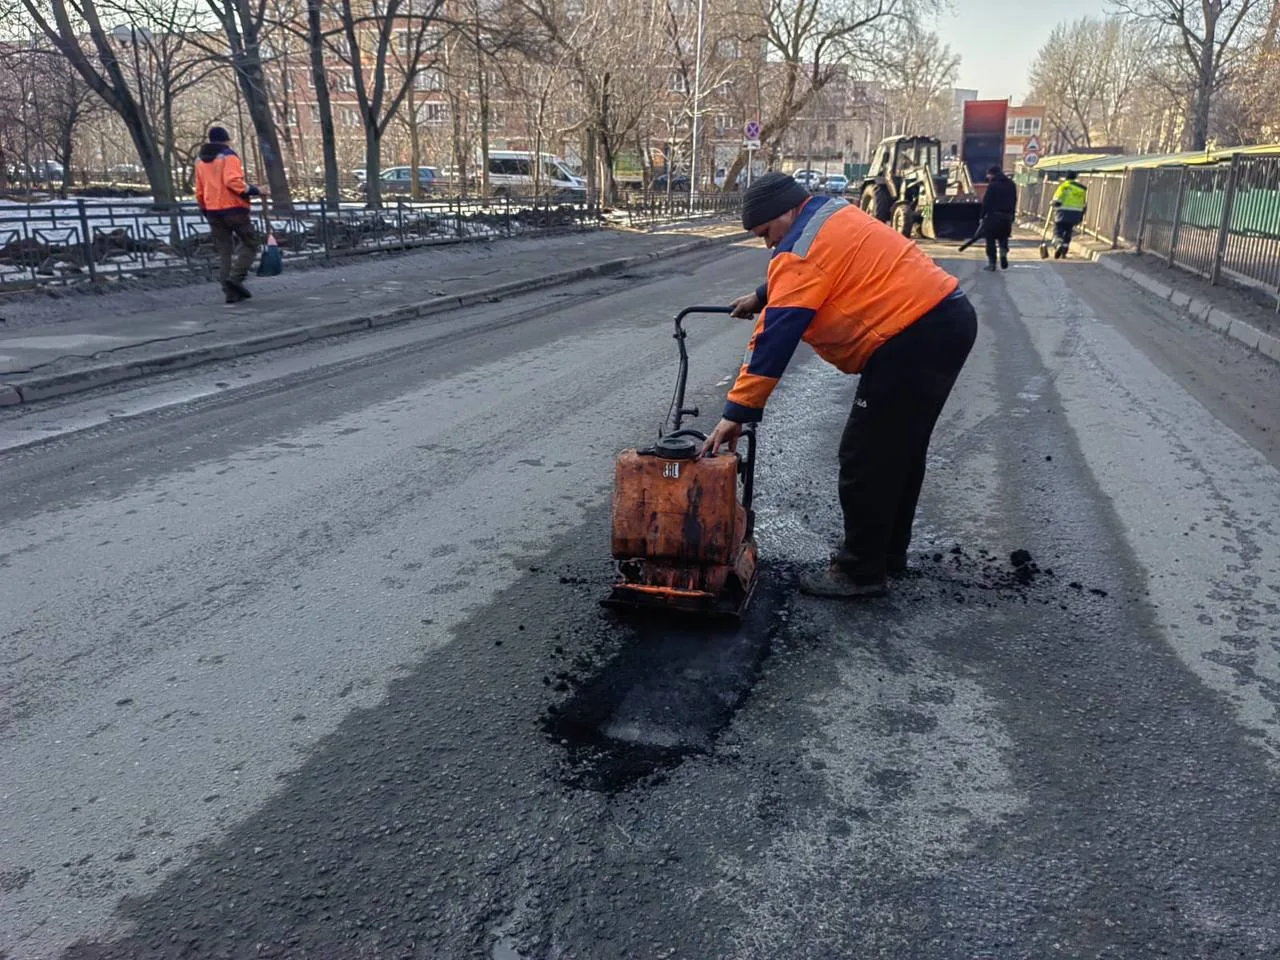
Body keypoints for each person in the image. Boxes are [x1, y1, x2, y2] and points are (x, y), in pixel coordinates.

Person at [709, 172, 978, 599]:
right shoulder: (827, 213)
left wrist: (736, 413)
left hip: (914, 337)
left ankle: (860, 571)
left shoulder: (800, 250)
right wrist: (762, 295)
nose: (767, 244)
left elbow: (774, 339)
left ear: (787, 212)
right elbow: (822, 262)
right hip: (945, 320)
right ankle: (886, 554)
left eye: (766, 232)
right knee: (900, 451)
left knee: (865, 454)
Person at [194, 126, 263, 304]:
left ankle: (229, 292)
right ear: (226, 140)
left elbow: (199, 191)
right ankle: (235, 278)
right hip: (234, 209)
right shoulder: (228, 156)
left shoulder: (200, 161)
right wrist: (255, 190)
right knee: (251, 243)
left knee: (224, 251)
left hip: (212, 211)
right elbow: (232, 182)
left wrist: (205, 209)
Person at [980, 165, 1017, 271]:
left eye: (988, 174)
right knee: (1004, 237)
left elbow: (986, 202)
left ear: (992, 174)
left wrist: (982, 216)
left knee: (990, 240)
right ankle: (1003, 252)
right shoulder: (1011, 184)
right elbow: (1014, 200)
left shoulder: (992, 185)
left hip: (993, 217)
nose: (988, 177)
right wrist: (1012, 215)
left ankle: (992, 263)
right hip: (1006, 217)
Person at [1049, 170, 1087, 259]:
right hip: (1075, 214)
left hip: (1062, 213)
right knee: (1068, 231)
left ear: (1066, 177)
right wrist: (1081, 215)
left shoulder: (1064, 186)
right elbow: (1084, 204)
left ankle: (1058, 245)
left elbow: (1057, 200)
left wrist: (1052, 203)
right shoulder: (1081, 189)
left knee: (1057, 231)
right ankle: (1064, 251)